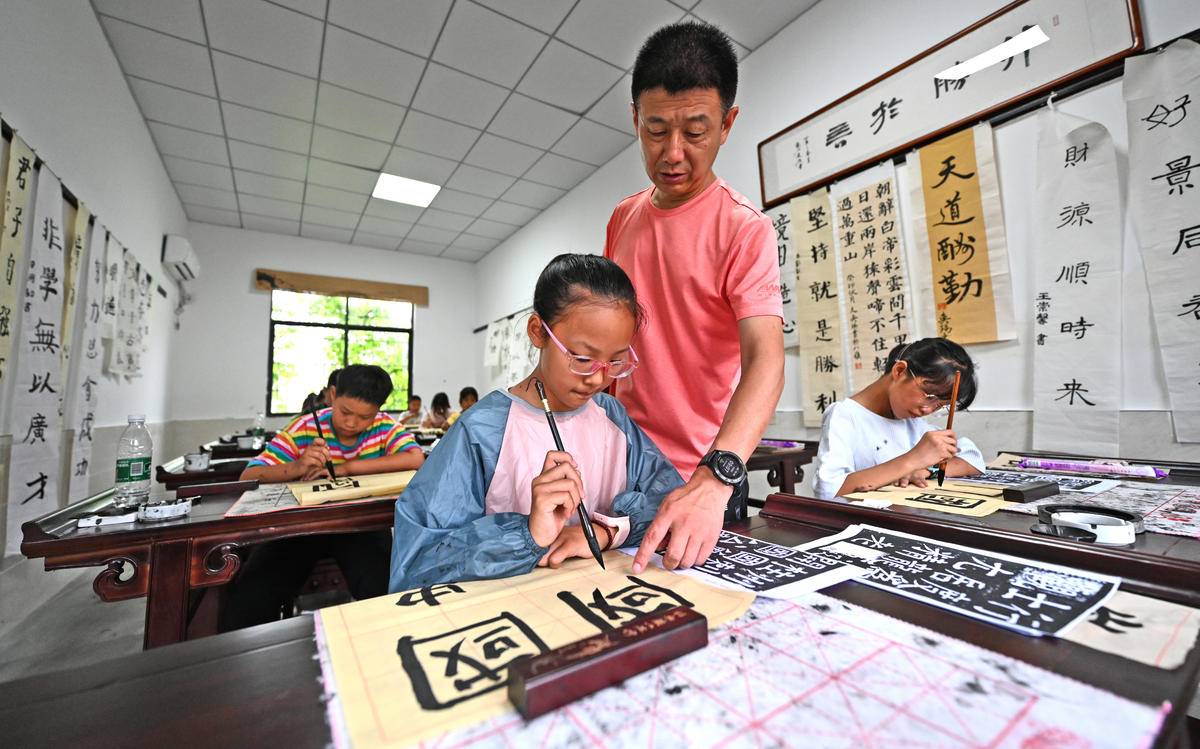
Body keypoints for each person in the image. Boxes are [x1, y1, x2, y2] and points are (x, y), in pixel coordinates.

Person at [389, 254, 681, 592]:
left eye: (615, 361)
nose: (598, 379)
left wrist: (604, 531)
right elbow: (417, 564)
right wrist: (527, 534)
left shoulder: (611, 416)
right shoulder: (483, 430)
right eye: (582, 358)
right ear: (538, 332)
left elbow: (671, 499)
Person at [605, 22, 784, 574]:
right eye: (656, 130)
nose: (673, 153)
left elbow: (766, 360)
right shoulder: (622, 218)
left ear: (727, 124)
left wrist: (717, 476)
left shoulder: (744, 228)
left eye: (696, 132)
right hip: (619, 465)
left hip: (701, 476)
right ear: (636, 119)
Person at [221, 365, 425, 630]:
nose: (352, 423)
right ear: (333, 394)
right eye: (345, 412)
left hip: (359, 526)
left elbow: (415, 458)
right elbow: (249, 475)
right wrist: (297, 467)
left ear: (378, 410)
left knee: (385, 590)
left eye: (365, 417)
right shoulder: (306, 426)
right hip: (302, 528)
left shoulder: (383, 426)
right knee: (254, 595)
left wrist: (346, 468)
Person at [812, 338, 985, 500]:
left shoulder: (912, 422)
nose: (927, 410)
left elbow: (973, 459)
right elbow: (828, 490)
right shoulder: (845, 415)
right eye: (929, 396)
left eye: (940, 405)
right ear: (899, 371)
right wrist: (913, 460)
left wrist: (928, 470)